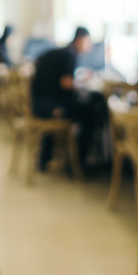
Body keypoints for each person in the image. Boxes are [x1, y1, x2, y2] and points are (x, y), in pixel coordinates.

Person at [30, 27, 108, 170]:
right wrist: (83, 82)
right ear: (80, 40)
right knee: (90, 114)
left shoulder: (59, 52)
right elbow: (65, 83)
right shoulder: (70, 55)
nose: (90, 46)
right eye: (88, 42)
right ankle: (79, 164)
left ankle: (46, 157)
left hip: (38, 104)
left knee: (78, 107)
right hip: (50, 107)